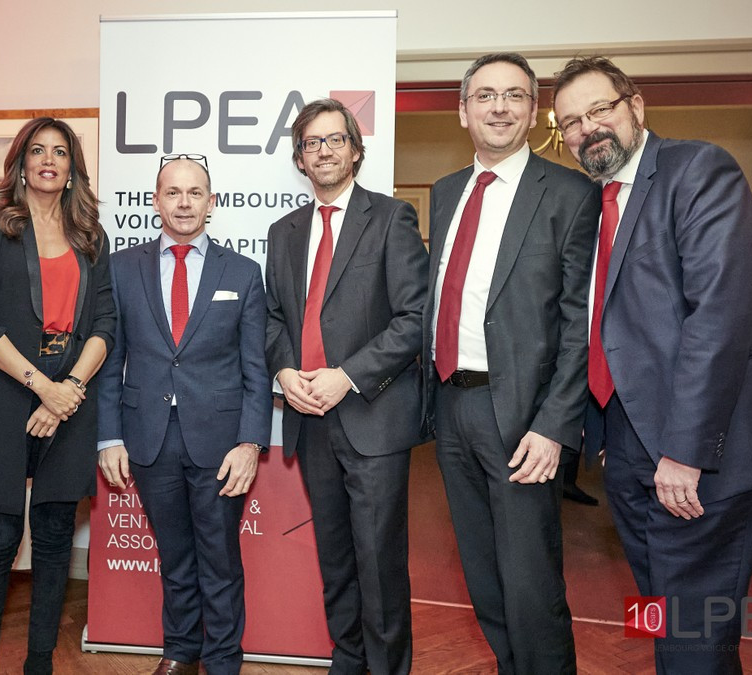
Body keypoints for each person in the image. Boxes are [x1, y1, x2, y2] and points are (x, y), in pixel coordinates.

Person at [552, 55, 752, 673]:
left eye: (600, 109)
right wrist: (612, 437)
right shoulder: (593, 202)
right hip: (628, 447)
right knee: (671, 617)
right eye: (570, 121)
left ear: (636, 106)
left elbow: (719, 319)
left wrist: (685, 451)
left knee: (692, 631)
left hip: (711, 449)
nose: (587, 128)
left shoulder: (698, 170)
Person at [420, 53, 598, 675]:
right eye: (486, 95)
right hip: (452, 405)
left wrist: (553, 425)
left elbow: (580, 323)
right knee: (483, 574)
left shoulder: (571, 193)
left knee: (530, 581)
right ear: (462, 110)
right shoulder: (446, 191)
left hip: (523, 417)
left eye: (515, 95)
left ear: (533, 110)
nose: (499, 107)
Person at [264, 98, 428, 675]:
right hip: (308, 418)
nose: (325, 151)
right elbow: (274, 318)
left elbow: (414, 318)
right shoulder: (282, 232)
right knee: (334, 558)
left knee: (378, 562)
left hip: (372, 418)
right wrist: (285, 372)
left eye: (336, 139)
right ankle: (348, 660)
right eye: (312, 143)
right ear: (299, 159)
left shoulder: (390, 218)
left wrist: (348, 377)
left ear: (356, 151)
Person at [0, 117, 115, 675]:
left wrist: (69, 389)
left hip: (70, 399)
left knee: (53, 537)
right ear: (22, 162)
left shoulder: (90, 234)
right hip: (2, 395)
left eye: (61, 152)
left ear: (73, 168)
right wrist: (42, 387)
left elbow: (106, 323)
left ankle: (39, 662)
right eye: (38, 150)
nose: (49, 160)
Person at [97, 155, 271, 675]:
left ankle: (222, 661)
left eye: (195, 193)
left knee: (219, 559)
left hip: (220, 442)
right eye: (173, 192)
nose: (184, 203)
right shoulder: (121, 269)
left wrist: (250, 443)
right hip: (148, 437)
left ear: (211, 202)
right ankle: (179, 651)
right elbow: (110, 359)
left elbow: (256, 369)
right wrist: (109, 437)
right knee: (173, 556)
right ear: (156, 201)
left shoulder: (242, 272)